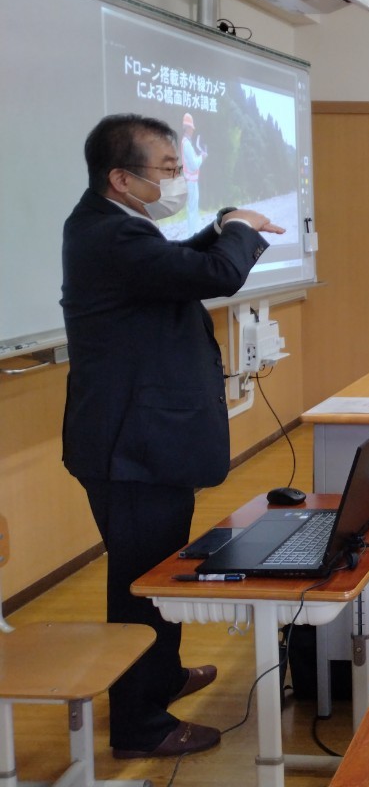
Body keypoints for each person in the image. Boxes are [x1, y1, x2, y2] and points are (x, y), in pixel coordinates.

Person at [61, 114, 282, 759]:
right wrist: (239, 230)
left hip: (141, 440)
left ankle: (159, 677)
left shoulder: (114, 225)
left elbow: (177, 264)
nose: (179, 179)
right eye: (168, 169)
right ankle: (141, 724)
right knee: (142, 583)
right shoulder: (111, 234)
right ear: (120, 178)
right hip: (131, 447)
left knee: (157, 568)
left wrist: (219, 228)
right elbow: (213, 276)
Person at [180, 112, 207, 234]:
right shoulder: (186, 144)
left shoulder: (186, 143)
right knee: (192, 209)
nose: (192, 130)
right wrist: (202, 157)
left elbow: (191, 161)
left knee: (192, 208)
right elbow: (194, 164)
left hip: (190, 180)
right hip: (191, 181)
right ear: (188, 128)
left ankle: (193, 233)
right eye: (191, 128)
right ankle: (192, 234)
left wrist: (198, 157)